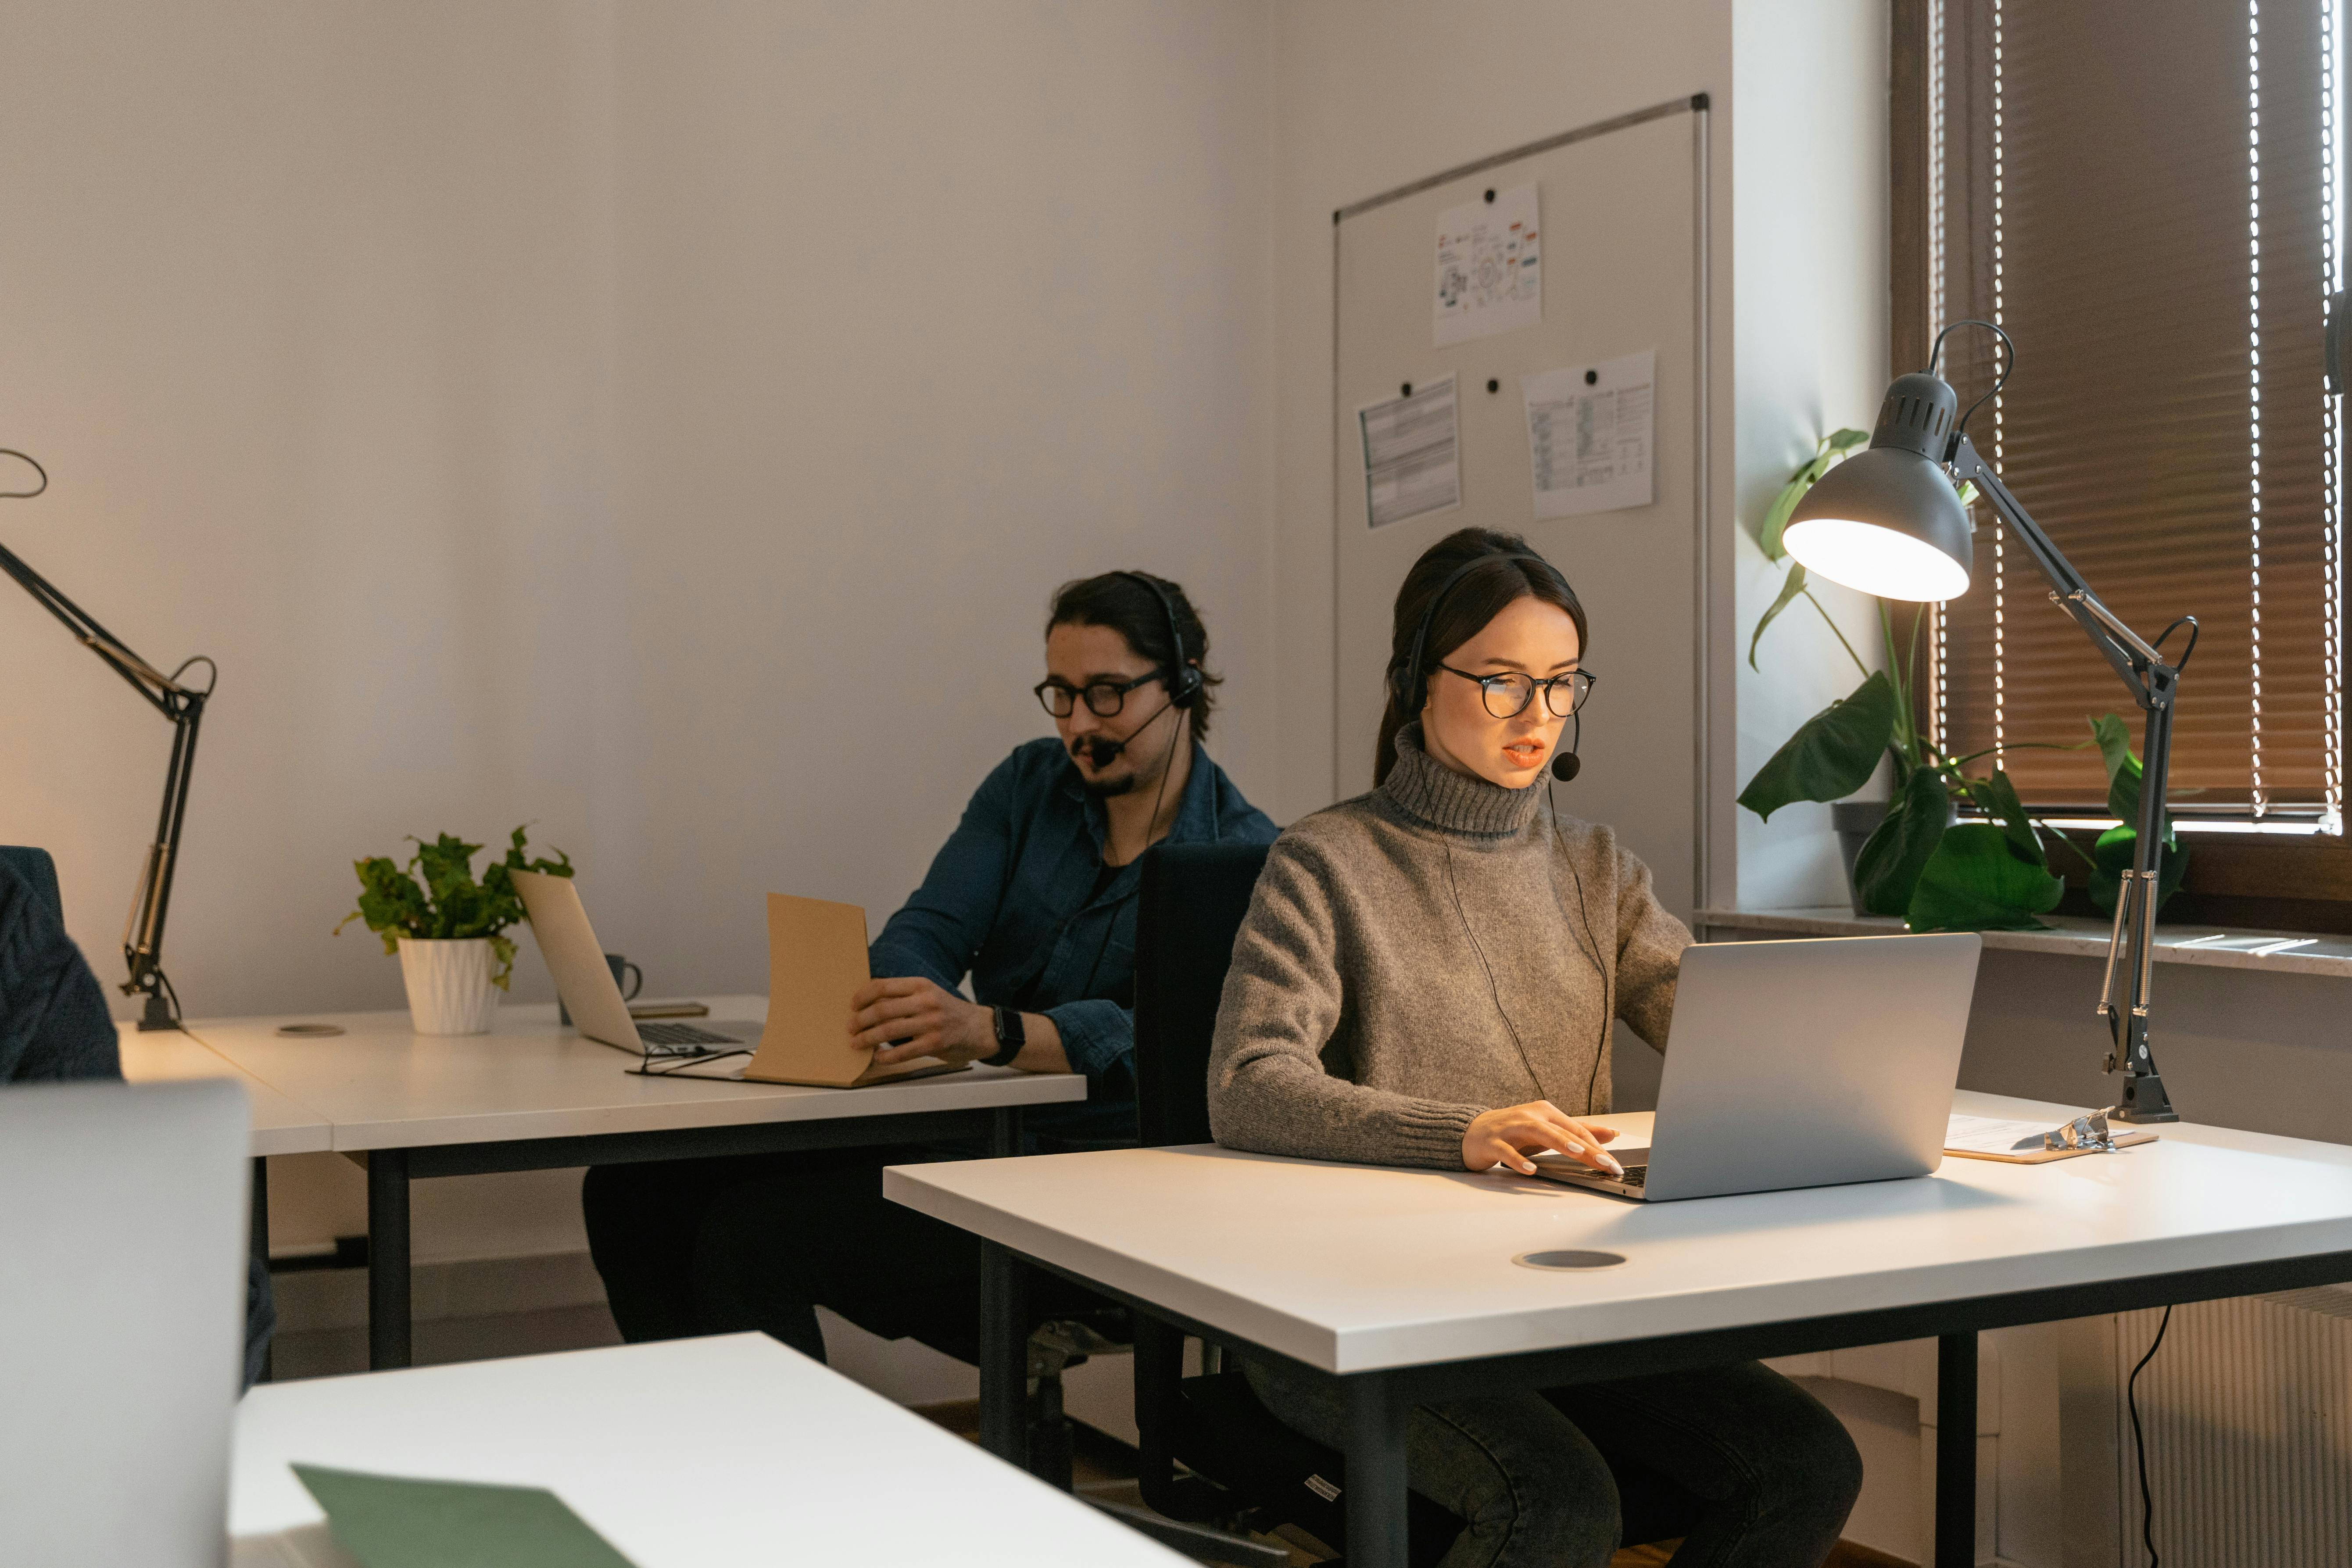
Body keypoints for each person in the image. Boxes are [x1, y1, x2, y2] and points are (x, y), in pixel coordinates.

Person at [1206, 529, 1862, 1568]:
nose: (1538, 717)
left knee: (1806, 1462)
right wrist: (1458, 1131)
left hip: (1553, 1295)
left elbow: (1723, 1035)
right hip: (1350, 1300)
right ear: (1417, 679)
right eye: (1502, 682)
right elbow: (1249, 1086)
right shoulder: (1325, 859)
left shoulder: (1596, 865)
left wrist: (1850, 1083)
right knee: (1553, 1501)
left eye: (1561, 685)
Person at [582, 570, 1278, 1362]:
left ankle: (787, 1483)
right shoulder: (1028, 785)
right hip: (967, 1134)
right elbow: (927, 929)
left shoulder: (1242, 855)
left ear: (1181, 686)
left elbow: (1163, 1042)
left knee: (752, 1236)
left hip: (1089, 1188)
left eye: (1108, 693)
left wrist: (991, 1030)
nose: (1079, 723)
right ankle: (698, 1466)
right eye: (1061, 694)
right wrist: (907, 1001)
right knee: (632, 1190)